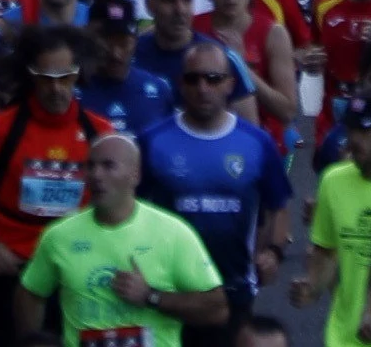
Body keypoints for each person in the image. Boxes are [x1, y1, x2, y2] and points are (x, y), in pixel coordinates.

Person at [18, 133, 227, 347]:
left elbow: (217, 309)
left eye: (109, 166)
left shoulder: (173, 233)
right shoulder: (59, 235)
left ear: (135, 175)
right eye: (90, 166)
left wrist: (151, 297)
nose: (96, 175)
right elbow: (31, 293)